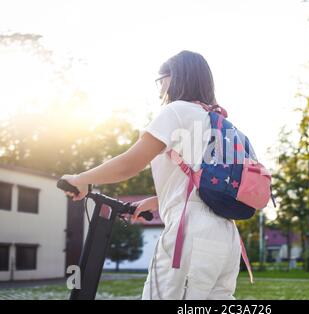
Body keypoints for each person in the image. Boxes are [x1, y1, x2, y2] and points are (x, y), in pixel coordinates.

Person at [60, 50, 242, 300]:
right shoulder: (219, 122)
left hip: (190, 234)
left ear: (174, 78)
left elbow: (129, 164)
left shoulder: (177, 111)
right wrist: (158, 200)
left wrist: (79, 179)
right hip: (226, 237)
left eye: (161, 79)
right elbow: (206, 183)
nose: (159, 88)